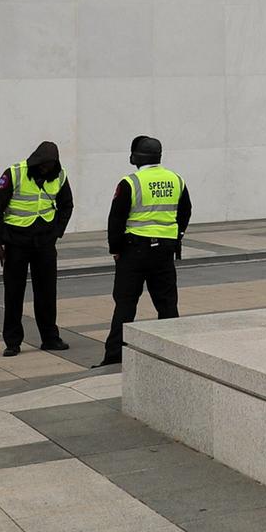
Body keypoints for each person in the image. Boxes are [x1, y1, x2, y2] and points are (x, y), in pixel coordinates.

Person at [95, 134, 190, 367]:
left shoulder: (130, 182)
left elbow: (116, 218)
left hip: (134, 251)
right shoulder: (176, 179)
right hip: (164, 252)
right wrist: (176, 236)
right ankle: (172, 354)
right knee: (167, 304)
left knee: (126, 304)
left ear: (135, 157)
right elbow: (185, 210)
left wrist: (115, 249)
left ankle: (114, 357)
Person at [0, 141, 73, 357]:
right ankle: (13, 342)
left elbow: (67, 205)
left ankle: (50, 338)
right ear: (36, 161)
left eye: (50, 165)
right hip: (16, 242)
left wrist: (57, 231)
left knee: (46, 292)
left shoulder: (59, 176)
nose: (46, 169)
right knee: (14, 293)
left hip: (44, 242)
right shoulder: (14, 173)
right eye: (43, 165)